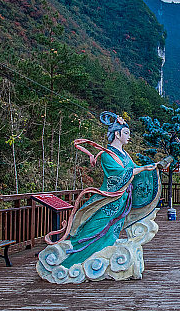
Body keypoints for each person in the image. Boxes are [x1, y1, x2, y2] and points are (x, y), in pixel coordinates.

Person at [36, 112, 162, 283]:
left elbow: (134, 169)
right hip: (108, 200)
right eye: (126, 133)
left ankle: (101, 258)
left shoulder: (125, 155)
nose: (129, 137)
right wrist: (142, 169)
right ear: (117, 134)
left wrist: (150, 168)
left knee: (112, 230)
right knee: (95, 228)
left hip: (122, 201)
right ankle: (73, 261)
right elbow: (119, 174)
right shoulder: (107, 155)